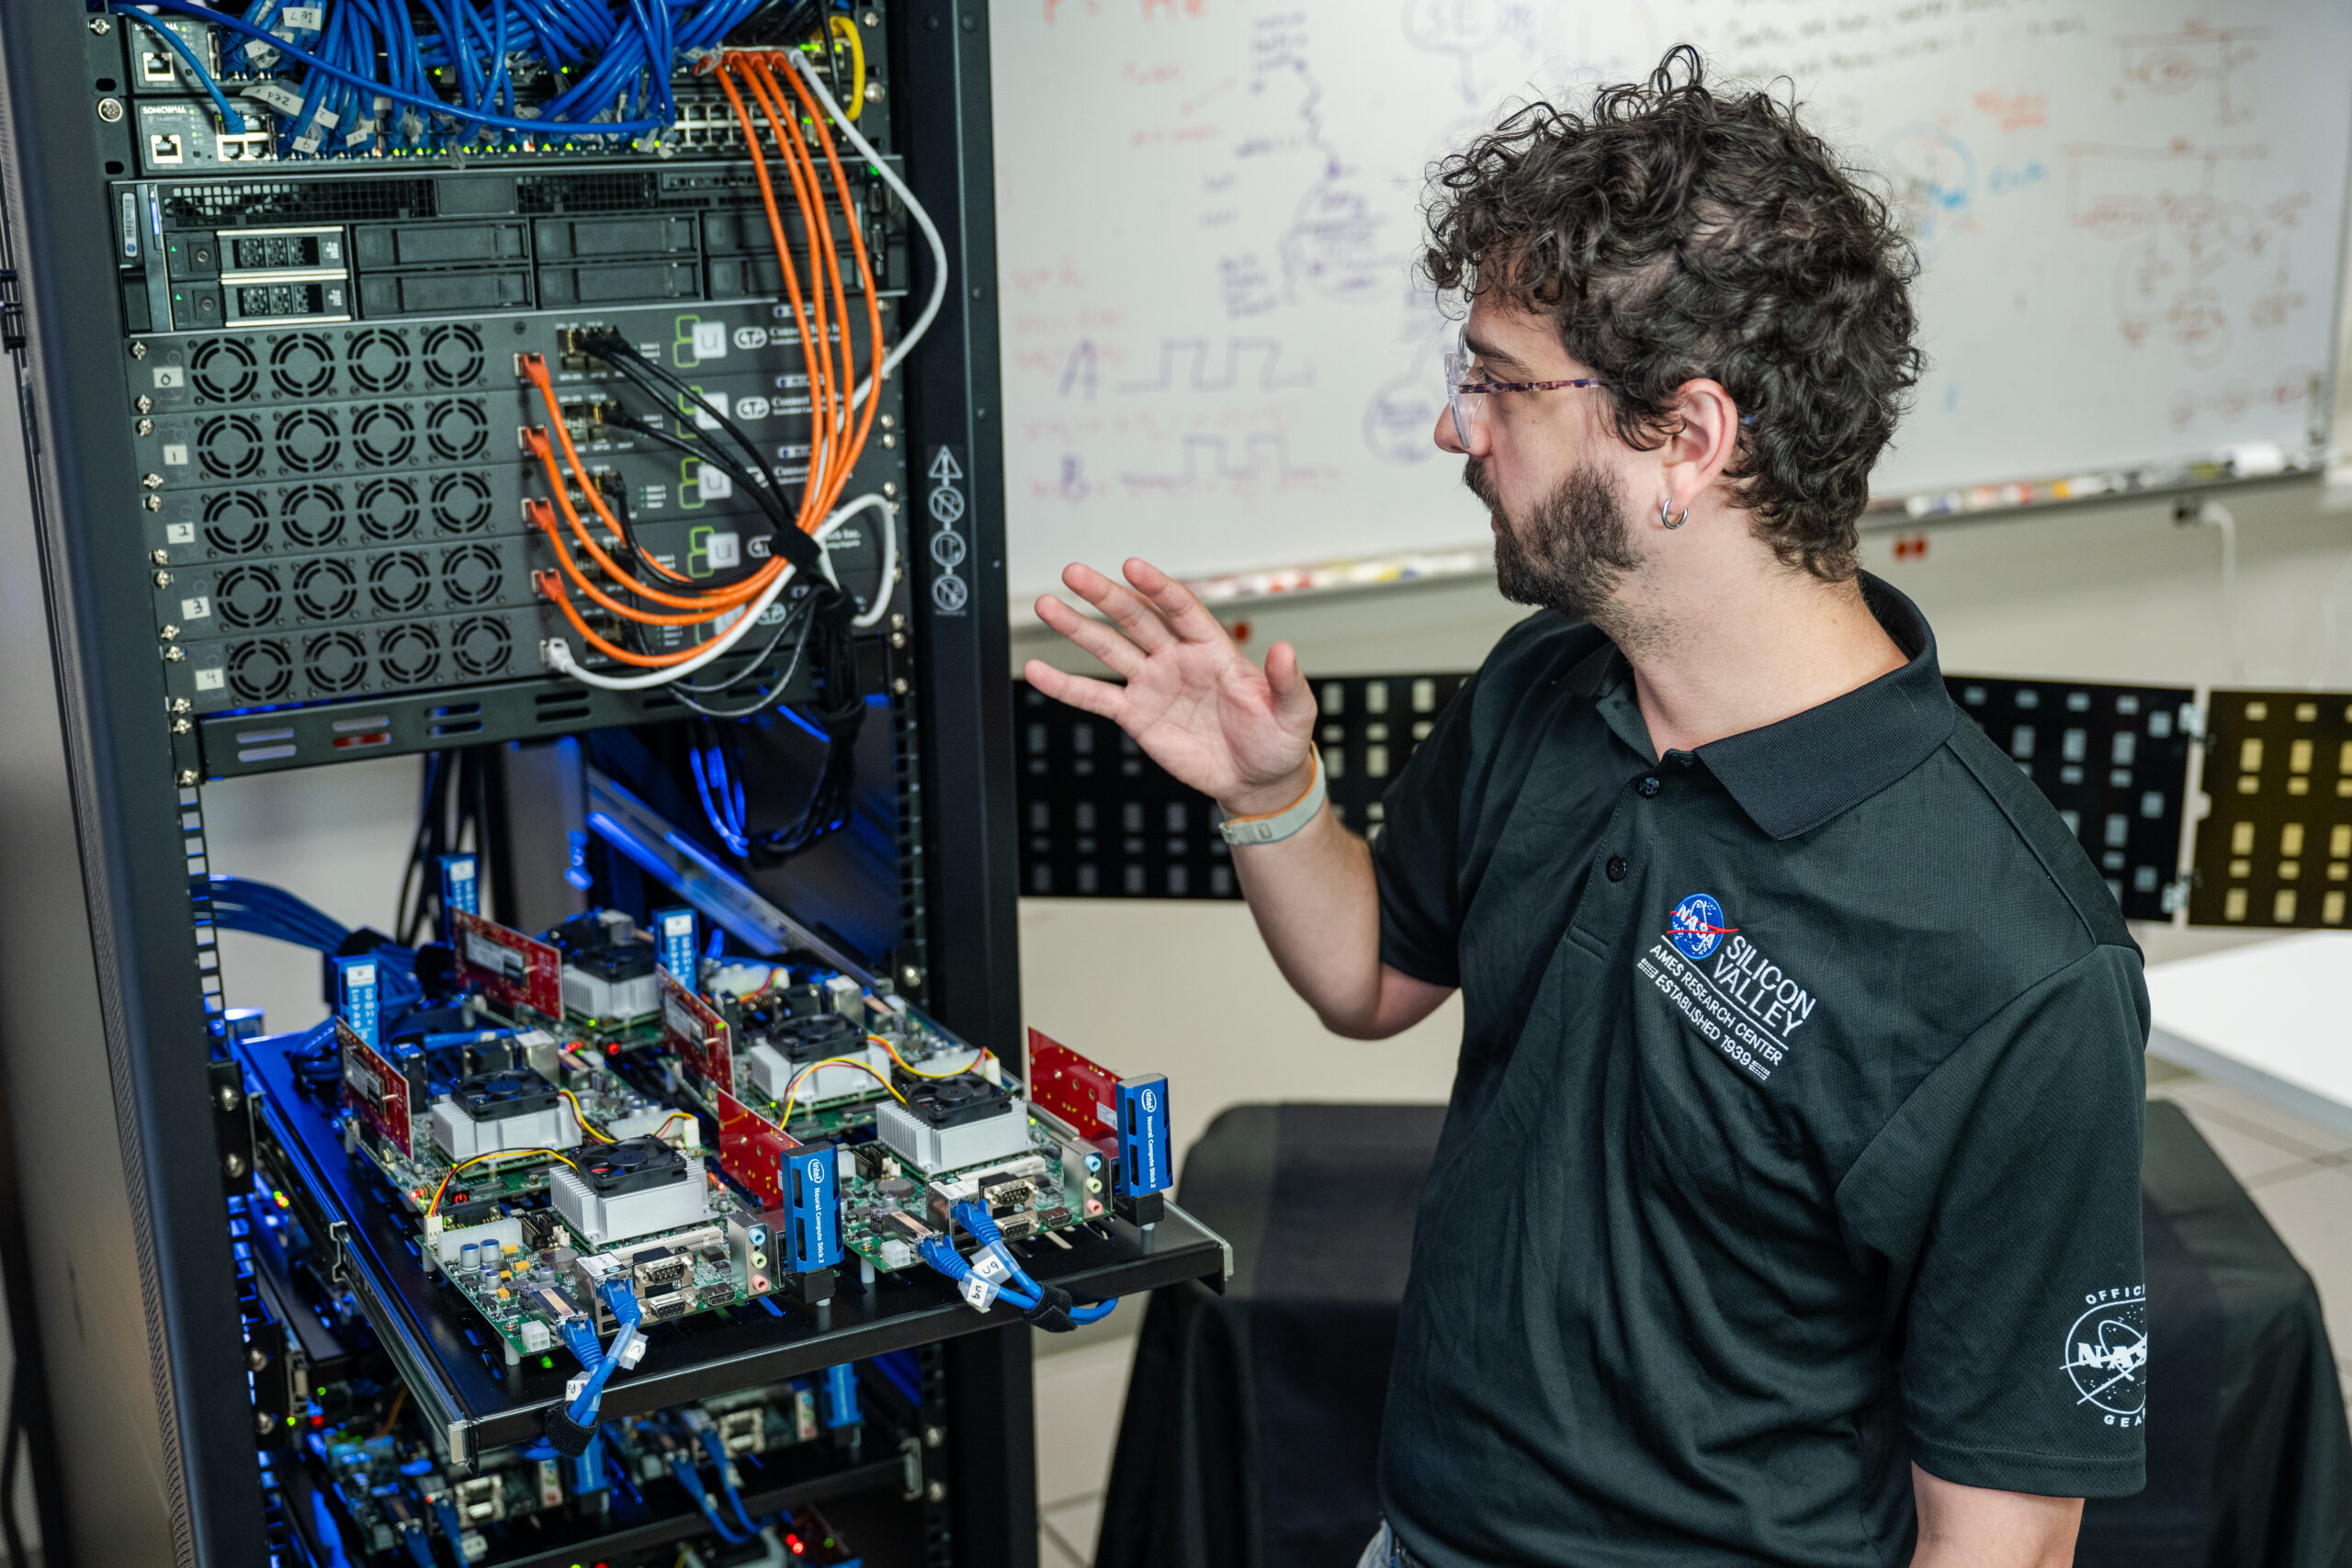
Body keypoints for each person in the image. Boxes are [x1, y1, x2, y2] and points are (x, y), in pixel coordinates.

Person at [1024, 46, 2147, 1568]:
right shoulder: (1552, 684)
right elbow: (1371, 978)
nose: (1456, 425)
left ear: (1686, 440)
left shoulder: (2016, 963)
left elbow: (2003, 1540)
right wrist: (1275, 795)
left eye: (1496, 380)